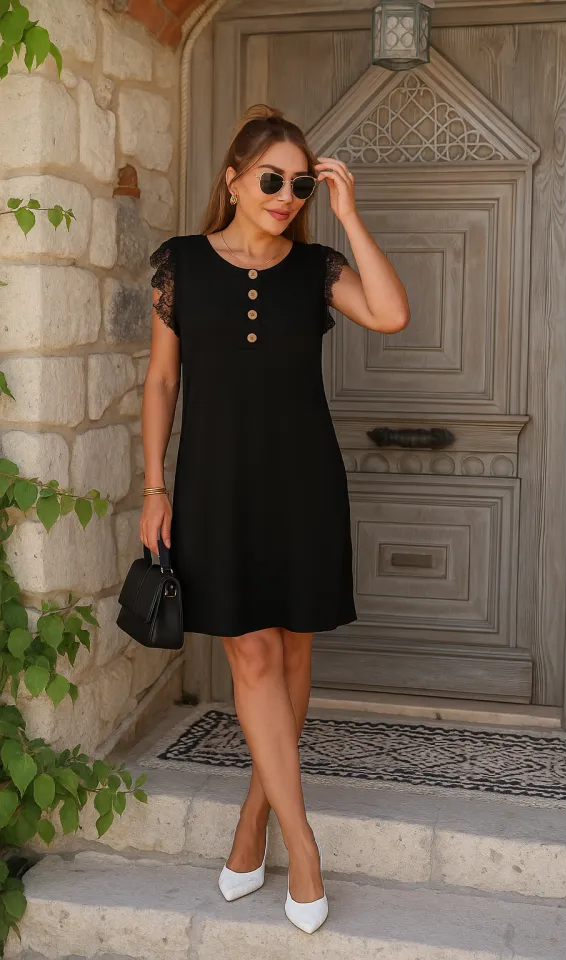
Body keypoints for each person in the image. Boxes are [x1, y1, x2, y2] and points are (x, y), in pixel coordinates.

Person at [139, 103, 410, 934]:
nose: (287, 196)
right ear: (232, 180)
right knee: (251, 653)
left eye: (301, 185)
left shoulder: (318, 268)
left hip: (304, 483)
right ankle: (304, 845)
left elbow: (391, 313)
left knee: (293, 652)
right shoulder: (182, 264)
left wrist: (350, 214)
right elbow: (162, 381)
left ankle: (253, 819)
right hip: (215, 486)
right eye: (271, 180)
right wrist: (153, 487)